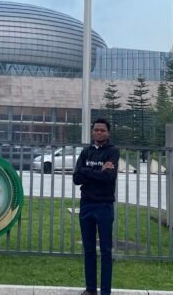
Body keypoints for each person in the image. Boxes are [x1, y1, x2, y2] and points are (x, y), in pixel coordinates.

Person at [72, 118, 119, 295]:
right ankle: (90, 289)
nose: (99, 133)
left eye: (102, 130)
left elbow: (108, 177)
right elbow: (76, 178)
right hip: (86, 206)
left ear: (108, 133)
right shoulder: (85, 153)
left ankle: (105, 291)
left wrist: (87, 172)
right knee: (89, 249)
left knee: (106, 251)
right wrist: (99, 171)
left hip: (104, 206)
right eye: (96, 130)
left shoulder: (113, 152)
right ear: (92, 132)